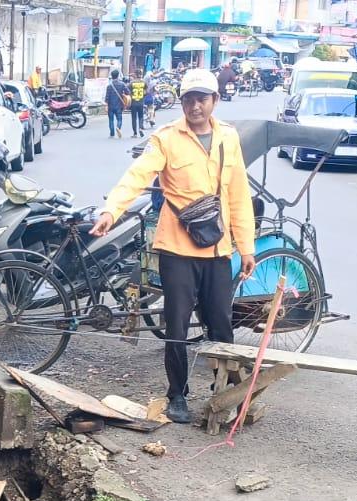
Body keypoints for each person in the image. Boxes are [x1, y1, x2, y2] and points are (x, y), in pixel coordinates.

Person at [89, 69, 255, 424]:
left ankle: (226, 391)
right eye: (189, 99)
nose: (195, 105)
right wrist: (111, 210)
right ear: (181, 103)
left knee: (221, 325)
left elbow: (238, 195)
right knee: (177, 326)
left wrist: (248, 247)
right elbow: (137, 175)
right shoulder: (166, 138)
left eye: (202, 98)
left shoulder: (229, 138)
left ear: (215, 101)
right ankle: (177, 394)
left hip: (218, 250)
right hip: (177, 249)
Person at [104, 70, 128, 139]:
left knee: (111, 120)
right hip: (119, 105)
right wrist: (123, 94)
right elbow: (128, 92)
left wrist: (106, 105)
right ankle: (118, 128)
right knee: (119, 119)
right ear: (118, 76)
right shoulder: (122, 84)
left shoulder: (109, 86)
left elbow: (107, 97)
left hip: (111, 106)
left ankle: (112, 134)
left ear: (112, 76)